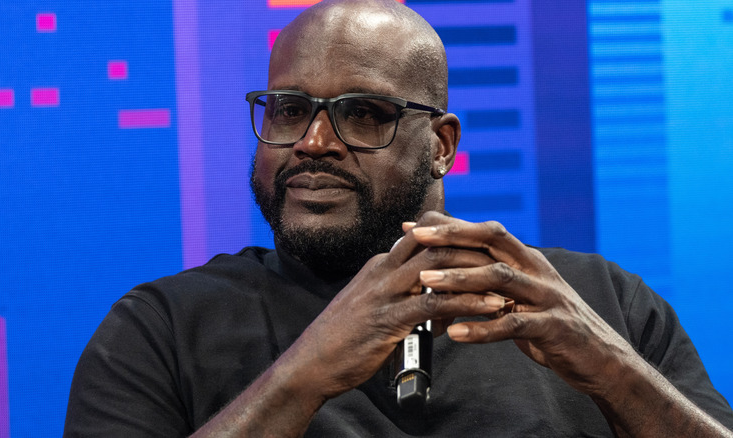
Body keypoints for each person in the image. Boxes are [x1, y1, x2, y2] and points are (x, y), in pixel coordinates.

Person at [64, 0, 733, 436]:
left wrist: (610, 369)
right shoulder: (159, 328)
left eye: (363, 114)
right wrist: (304, 375)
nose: (314, 143)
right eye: (289, 110)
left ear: (441, 146)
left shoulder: (598, 303)